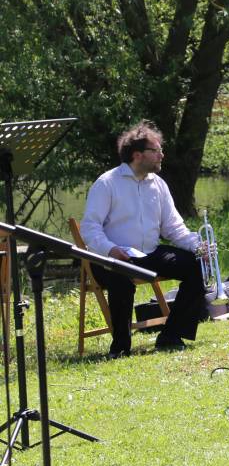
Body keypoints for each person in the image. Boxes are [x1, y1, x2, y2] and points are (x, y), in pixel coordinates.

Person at [81, 121, 206, 358]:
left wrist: (198, 247)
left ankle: (171, 336)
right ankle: (120, 348)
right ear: (138, 155)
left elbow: (174, 228)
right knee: (121, 279)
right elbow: (90, 228)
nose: (162, 155)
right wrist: (110, 249)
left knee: (195, 266)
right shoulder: (107, 183)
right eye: (156, 150)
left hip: (148, 253)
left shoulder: (158, 184)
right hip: (111, 257)